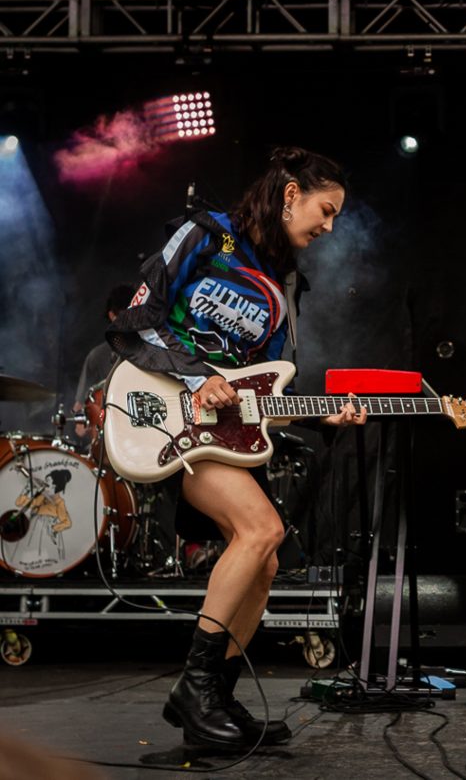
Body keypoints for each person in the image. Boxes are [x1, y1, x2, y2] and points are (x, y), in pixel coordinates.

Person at [108, 147, 366, 749]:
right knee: (262, 532)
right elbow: (137, 319)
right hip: (169, 411)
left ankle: (214, 697)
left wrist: (323, 413)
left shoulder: (285, 282)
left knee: (266, 559)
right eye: (324, 211)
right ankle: (193, 688)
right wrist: (199, 377)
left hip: (225, 431)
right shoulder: (206, 235)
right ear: (289, 194)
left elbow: (269, 378)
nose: (328, 227)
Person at [72, 284, 135, 443]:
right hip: (109, 436)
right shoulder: (97, 356)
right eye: (123, 314)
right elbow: (79, 407)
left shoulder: (154, 350)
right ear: (112, 315)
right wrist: (83, 422)